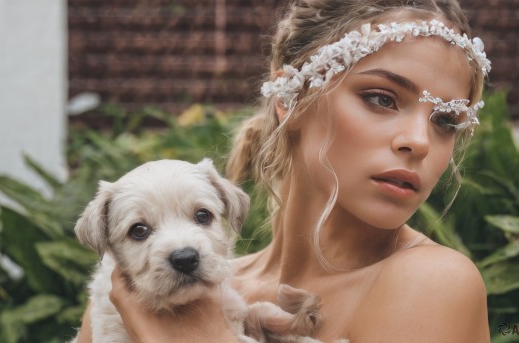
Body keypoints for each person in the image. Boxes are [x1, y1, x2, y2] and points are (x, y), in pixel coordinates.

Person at [76, 0, 491, 341]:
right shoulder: (154, 288)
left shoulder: (432, 282)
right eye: (382, 98)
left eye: (447, 121)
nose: (419, 141)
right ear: (290, 100)